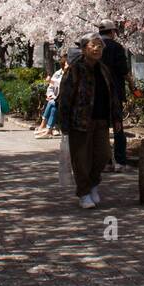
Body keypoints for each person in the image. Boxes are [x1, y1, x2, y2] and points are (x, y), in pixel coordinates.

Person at [58, 32, 123, 209]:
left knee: (103, 155)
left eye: (100, 46)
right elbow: (65, 97)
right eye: (93, 45)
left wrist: (117, 117)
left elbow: (113, 94)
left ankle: (93, 183)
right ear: (84, 48)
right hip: (80, 121)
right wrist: (63, 123)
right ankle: (84, 193)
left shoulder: (103, 69)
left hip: (101, 119)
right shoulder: (75, 69)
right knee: (81, 159)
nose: (97, 49)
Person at [98, 20, 133, 172]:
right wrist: (132, 84)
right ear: (112, 32)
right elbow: (123, 70)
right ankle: (120, 161)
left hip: (98, 94)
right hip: (115, 93)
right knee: (118, 127)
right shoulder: (116, 47)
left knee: (102, 128)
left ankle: (106, 162)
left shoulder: (94, 47)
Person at [36, 52, 66, 138]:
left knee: (52, 103)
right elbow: (50, 88)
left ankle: (43, 125)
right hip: (57, 98)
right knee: (53, 107)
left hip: (66, 100)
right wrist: (50, 95)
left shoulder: (71, 74)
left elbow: (63, 84)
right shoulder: (58, 73)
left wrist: (51, 81)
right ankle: (49, 130)